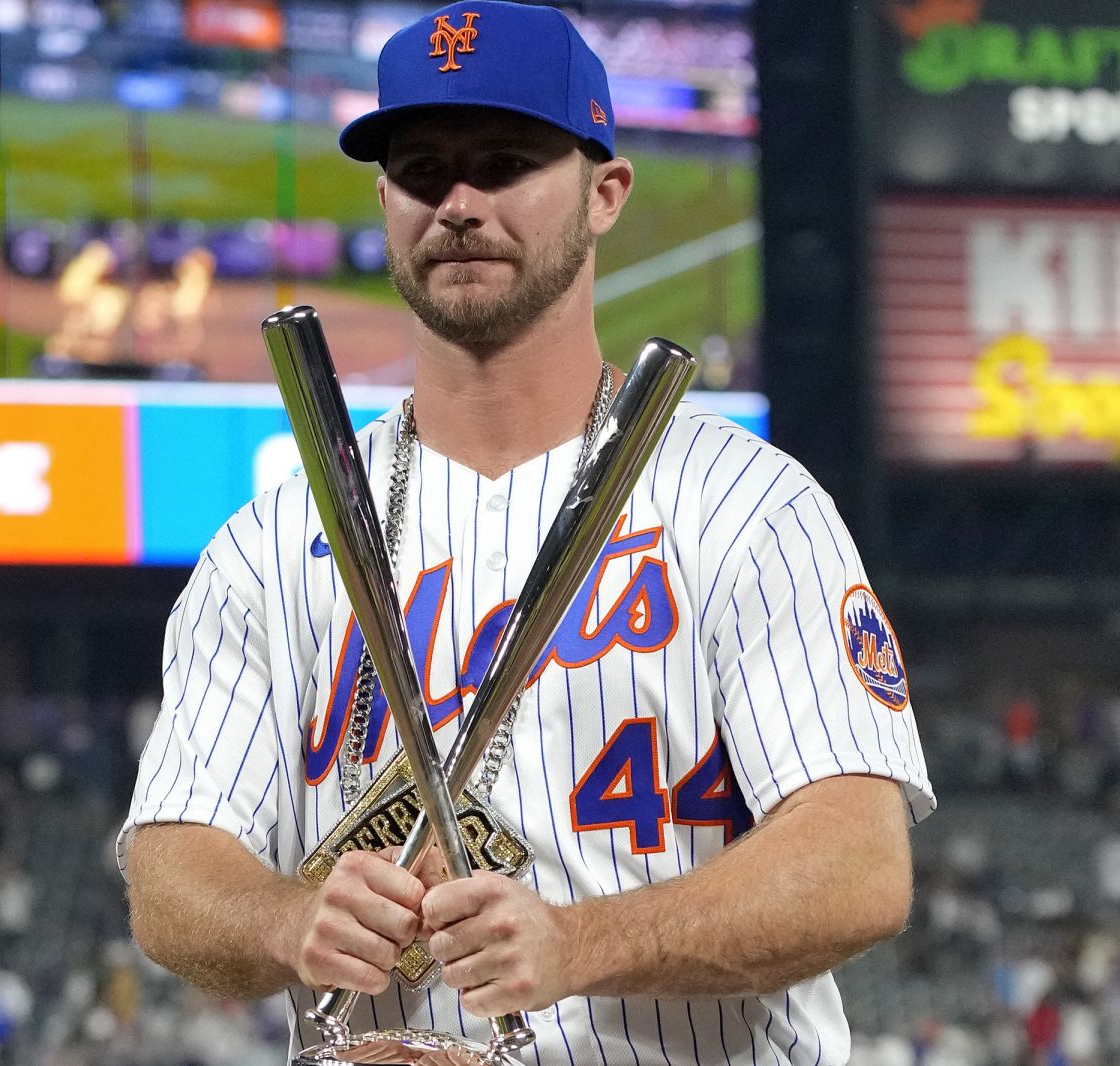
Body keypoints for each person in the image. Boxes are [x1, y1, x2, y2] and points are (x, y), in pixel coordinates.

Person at [119, 3, 935, 1063]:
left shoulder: (750, 510)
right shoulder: (268, 543)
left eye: (503, 163)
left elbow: (855, 868)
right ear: (381, 200)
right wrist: (284, 919)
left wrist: (580, 942)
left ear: (605, 193)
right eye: (420, 170)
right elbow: (172, 871)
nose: (457, 202)